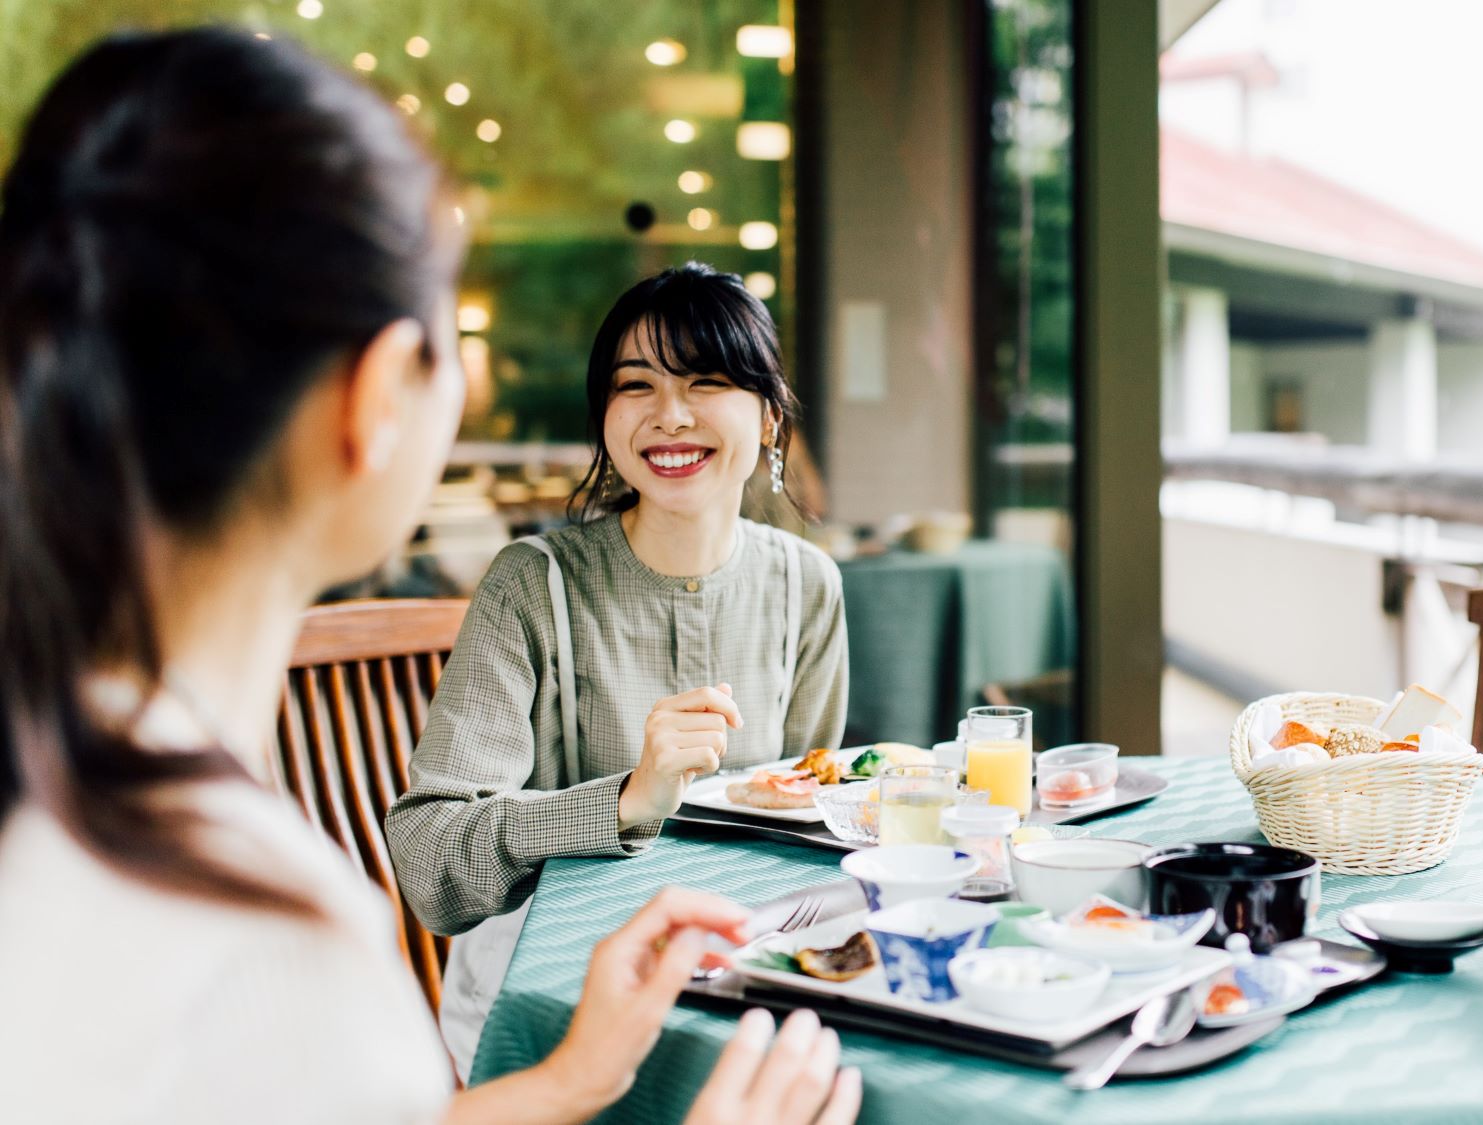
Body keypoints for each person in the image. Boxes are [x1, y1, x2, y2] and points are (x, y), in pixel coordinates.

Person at [0, 28, 859, 1124]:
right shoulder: (270, 943)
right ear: (375, 401)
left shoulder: (78, 801)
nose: (668, 414)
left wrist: (565, 1082)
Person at [386, 263, 850, 1075]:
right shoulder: (532, 585)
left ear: (769, 419)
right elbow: (430, 863)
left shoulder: (807, 584)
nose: (670, 414)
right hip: (555, 1005)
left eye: (706, 380)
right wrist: (624, 801)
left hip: (745, 980)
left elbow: (809, 820)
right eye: (636, 385)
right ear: (604, 417)